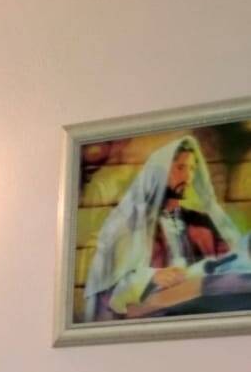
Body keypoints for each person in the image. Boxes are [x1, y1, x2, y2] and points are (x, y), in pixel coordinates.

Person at [84, 136, 243, 321]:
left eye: (192, 169)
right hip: (154, 314)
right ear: (160, 172)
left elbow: (229, 262)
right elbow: (110, 290)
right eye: (180, 168)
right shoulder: (132, 224)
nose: (188, 177)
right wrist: (152, 277)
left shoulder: (202, 222)